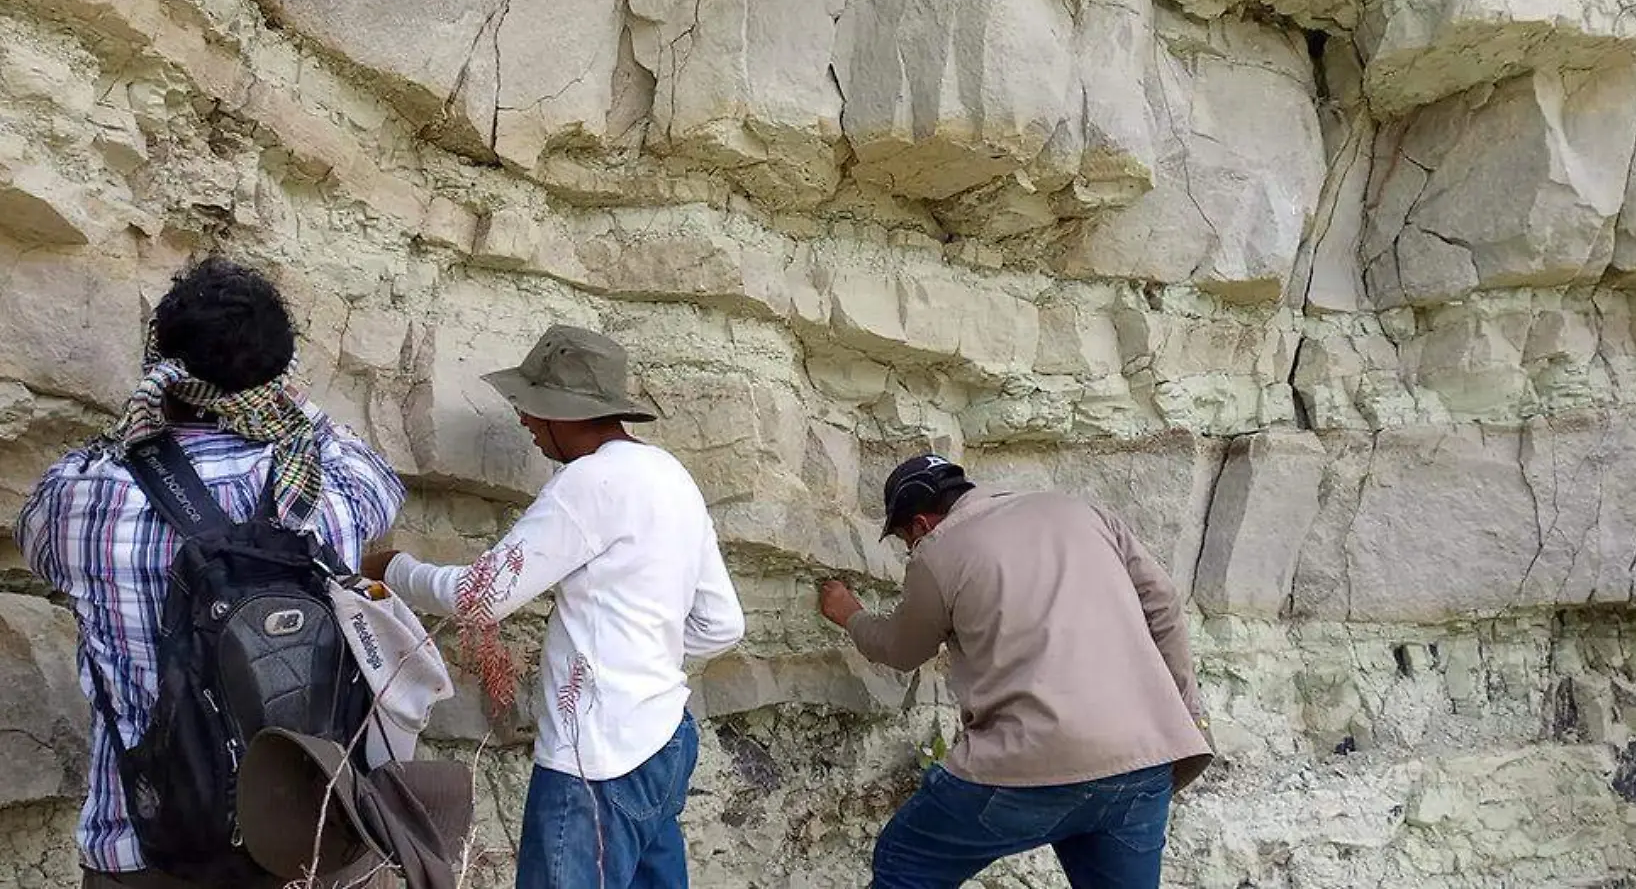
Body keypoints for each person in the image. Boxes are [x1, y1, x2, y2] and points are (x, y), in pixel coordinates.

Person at [15, 257, 408, 889]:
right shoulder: (329, 498)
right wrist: (290, 408)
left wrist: (140, 420)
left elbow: (33, 542)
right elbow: (379, 477)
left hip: (141, 851)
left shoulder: (81, 498)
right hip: (301, 849)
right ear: (277, 379)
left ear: (161, 370)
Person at [361, 324, 745, 889]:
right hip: (665, 739)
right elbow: (722, 625)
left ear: (565, 413)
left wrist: (392, 569)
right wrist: (638, 652)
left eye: (532, 409)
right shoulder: (671, 477)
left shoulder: (588, 483)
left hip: (594, 763)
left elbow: (479, 598)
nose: (524, 421)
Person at [817, 454, 1215, 889]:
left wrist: (851, 615)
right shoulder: (1081, 511)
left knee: (906, 860)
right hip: (1143, 763)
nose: (911, 550)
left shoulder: (937, 550)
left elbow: (902, 649)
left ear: (919, 525)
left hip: (1029, 765)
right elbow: (1164, 605)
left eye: (904, 540)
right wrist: (1186, 714)